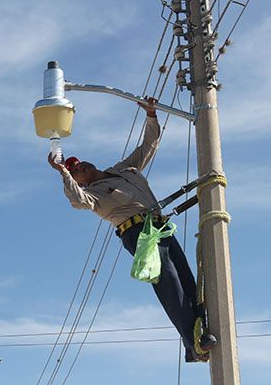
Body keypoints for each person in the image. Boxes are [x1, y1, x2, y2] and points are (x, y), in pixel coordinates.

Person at [47, 97, 216, 362]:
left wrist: (151, 115)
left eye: (78, 164)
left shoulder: (123, 170)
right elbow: (76, 201)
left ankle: (197, 337)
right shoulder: (92, 195)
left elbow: (148, 146)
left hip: (160, 228)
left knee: (186, 280)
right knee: (168, 282)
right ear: (76, 180)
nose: (80, 167)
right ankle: (193, 342)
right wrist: (62, 173)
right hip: (138, 235)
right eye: (75, 170)